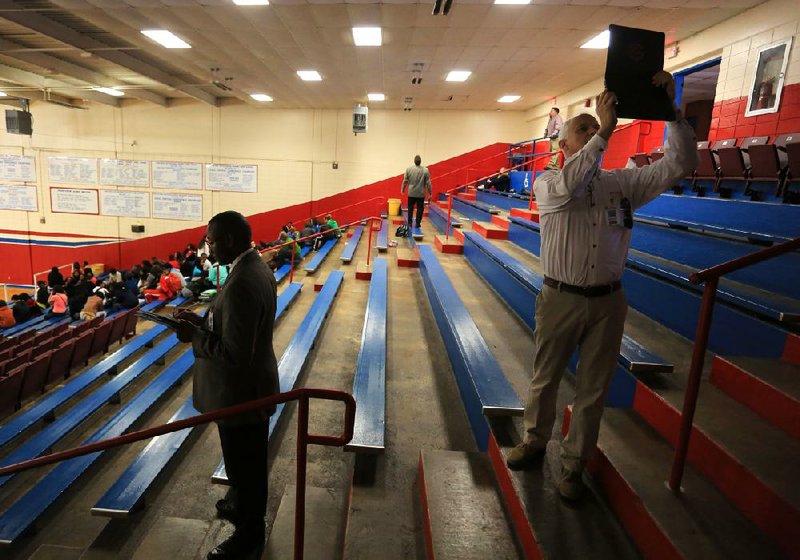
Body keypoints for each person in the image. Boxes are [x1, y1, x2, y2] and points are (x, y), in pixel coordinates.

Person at [506, 73, 698, 501]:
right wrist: (607, 131)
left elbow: (679, 164)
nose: (593, 131)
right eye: (583, 129)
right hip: (560, 297)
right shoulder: (549, 184)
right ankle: (535, 441)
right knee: (545, 378)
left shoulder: (621, 184)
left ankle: (574, 467)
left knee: (593, 389)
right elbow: (574, 182)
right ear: (564, 145)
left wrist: (670, 113)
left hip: (609, 301)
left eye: (596, 127)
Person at [176, 211, 278, 560]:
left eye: (211, 240)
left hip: (241, 394)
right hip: (249, 389)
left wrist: (195, 337)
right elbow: (235, 328)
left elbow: (235, 354)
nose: (208, 247)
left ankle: (249, 535)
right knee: (245, 464)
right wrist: (203, 323)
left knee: (245, 467)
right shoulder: (256, 268)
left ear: (228, 240)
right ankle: (241, 508)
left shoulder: (243, 282)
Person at [401, 154, 432, 232]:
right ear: (420, 162)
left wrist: (403, 189)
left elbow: (405, 181)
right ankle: (418, 223)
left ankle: (410, 223)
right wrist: (430, 193)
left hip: (411, 193)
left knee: (410, 208)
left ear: (414, 161)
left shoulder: (408, 169)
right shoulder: (425, 170)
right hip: (421, 194)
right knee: (420, 209)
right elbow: (428, 183)